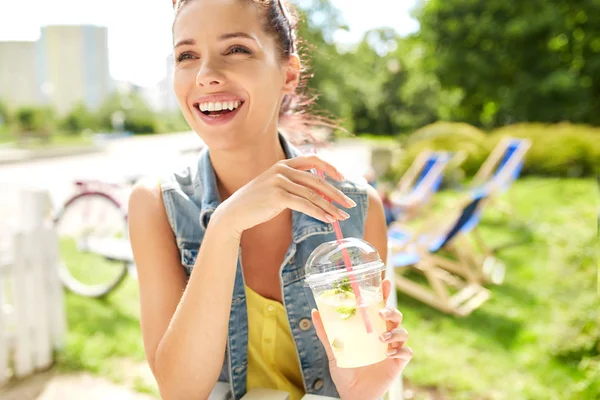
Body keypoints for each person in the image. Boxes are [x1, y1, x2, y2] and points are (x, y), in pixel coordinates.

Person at [127, 1, 412, 399]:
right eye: (187, 56)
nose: (207, 75)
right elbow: (179, 391)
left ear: (288, 74)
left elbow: (364, 380)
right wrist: (226, 225)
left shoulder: (355, 210)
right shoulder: (156, 205)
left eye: (237, 50)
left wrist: (362, 392)